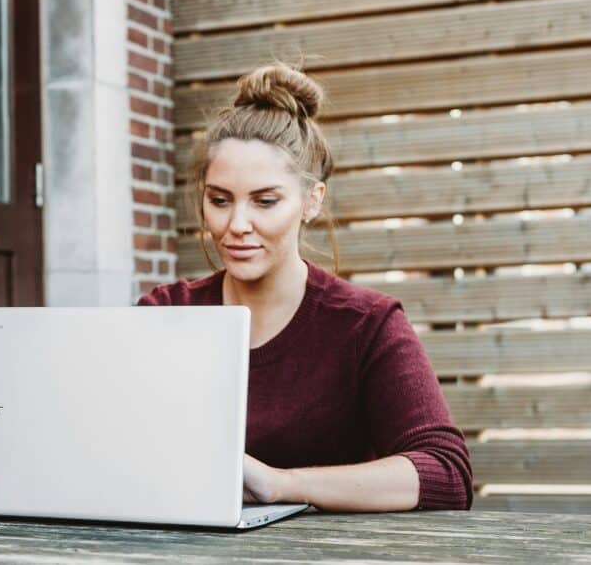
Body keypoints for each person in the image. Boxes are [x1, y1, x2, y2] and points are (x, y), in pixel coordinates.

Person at [137, 62, 472, 512]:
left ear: (311, 202)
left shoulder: (366, 325)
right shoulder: (166, 313)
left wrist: (280, 484)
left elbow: (446, 473)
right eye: (219, 200)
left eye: (265, 201)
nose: (237, 225)